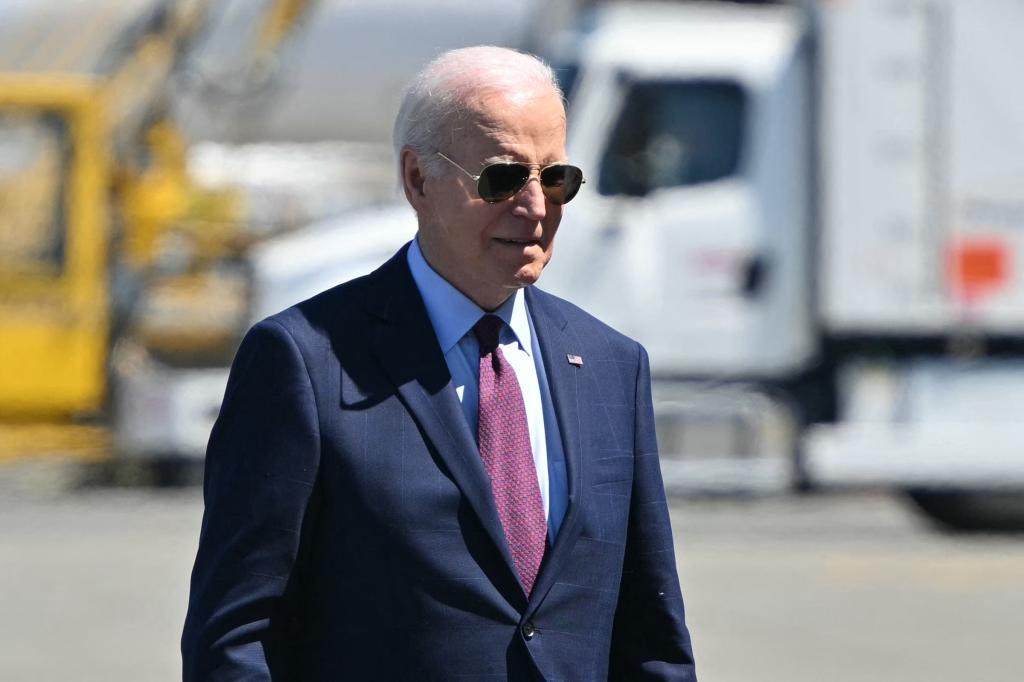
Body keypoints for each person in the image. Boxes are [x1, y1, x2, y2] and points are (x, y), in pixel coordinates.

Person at [182, 46, 696, 681]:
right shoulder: (305, 362)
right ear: (418, 179)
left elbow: (650, 636)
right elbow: (235, 639)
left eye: (556, 178)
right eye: (504, 178)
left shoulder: (613, 367)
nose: (537, 208)